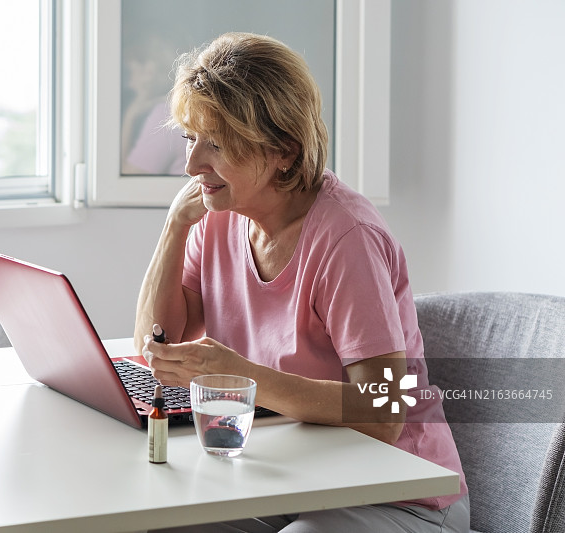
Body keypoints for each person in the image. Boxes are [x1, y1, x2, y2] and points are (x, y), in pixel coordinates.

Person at [133, 32, 469, 532]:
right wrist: (173, 228)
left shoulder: (345, 238)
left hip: (399, 496)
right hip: (294, 479)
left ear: (283, 151)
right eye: (189, 138)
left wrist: (241, 377)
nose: (191, 165)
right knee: (154, 522)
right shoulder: (220, 213)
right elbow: (155, 345)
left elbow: (383, 412)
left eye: (217, 144)